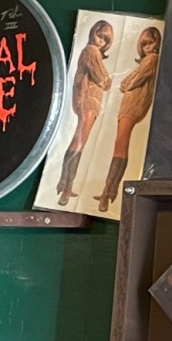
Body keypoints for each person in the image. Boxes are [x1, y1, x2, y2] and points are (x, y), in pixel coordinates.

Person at [94, 26, 162, 212]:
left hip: (134, 105)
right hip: (129, 106)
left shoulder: (152, 59)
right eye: (144, 44)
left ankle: (109, 192)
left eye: (151, 43)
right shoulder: (149, 60)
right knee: (119, 144)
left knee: (120, 145)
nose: (147, 47)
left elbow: (133, 80)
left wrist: (125, 84)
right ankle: (109, 190)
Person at [57, 19, 114, 206]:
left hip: (87, 99)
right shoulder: (91, 51)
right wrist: (105, 80)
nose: (100, 42)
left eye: (105, 40)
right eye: (99, 36)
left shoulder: (90, 51)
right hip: (89, 99)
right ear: (93, 33)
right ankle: (66, 188)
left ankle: (64, 184)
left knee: (78, 140)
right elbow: (104, 80)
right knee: (80, 142)